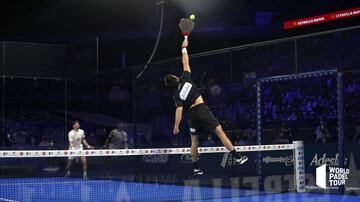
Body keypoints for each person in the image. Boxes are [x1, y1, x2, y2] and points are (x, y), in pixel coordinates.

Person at [164, 38, 248, 176]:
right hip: (201, 109)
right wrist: (184, 47)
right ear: (176, 78)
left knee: (194, 141)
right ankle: (237, 157)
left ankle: (196, 167)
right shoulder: (185, 77)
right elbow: (185, 61)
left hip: (191, 116)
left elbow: (179, 110)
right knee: (219, 131)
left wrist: (176, 126)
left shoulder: (176, 95)